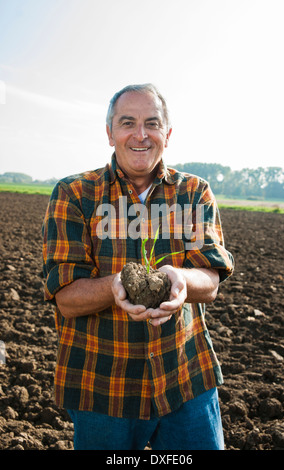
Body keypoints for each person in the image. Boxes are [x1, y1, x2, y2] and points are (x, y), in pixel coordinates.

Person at [42, 83, 234, 450]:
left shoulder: (193, 193)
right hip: (103, 385)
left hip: (185, 380)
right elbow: (65, 296)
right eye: (127, 122)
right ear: (110, 133)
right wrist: (116, 287)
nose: (140, 134)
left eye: (152, 123)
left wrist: (179, 279)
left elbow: (209, 280)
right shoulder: (74, 195)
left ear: (168, 133)